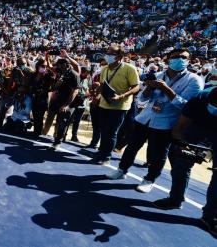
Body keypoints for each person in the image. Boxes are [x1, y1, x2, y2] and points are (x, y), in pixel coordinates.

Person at [107, 49, 203, 192]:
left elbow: (186, 106)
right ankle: (121, 170)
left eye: (184, 57)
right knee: (132, 146)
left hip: (166, 123)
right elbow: (142, 99)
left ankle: (149, 179)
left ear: (189, 61)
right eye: (176, 57)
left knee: (158, 154)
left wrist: (165, 89)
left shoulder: (194, 80)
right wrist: (148, 90)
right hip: (145, 118)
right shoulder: (157, 75)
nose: (180, 59)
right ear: (168, 59)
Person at [152, 87, 217, 238]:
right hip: (197, 127)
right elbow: (179, 128)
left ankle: (210, 216)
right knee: (181, 164)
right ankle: (175, 199)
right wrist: (185, 146)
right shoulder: (198, 100)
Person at [91, 45, 140, 165]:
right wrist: (97, 94)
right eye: (107, 52)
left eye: (111, 53)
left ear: (119, 56)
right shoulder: (105, 69)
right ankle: (101, 152)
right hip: (104, 104)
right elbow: (103, 85)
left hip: (120, 106)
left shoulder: (129, 68)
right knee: (103, 130)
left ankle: (106, 156)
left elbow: (136, 87)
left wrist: (122, 96)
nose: (107, 55)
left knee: (111, 132)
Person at [49, 58, 80, 150]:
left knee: (63, 122)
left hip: (69, 102)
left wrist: (66, 105)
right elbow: (53, 87)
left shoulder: (74, 74)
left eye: (60, 65)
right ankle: (57, 138)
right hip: (58, 100)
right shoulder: (60, 73)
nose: (58, 67)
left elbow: (75, 91)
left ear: (66, 65)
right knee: (58, 121)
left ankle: (57, 142)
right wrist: (56, 85)